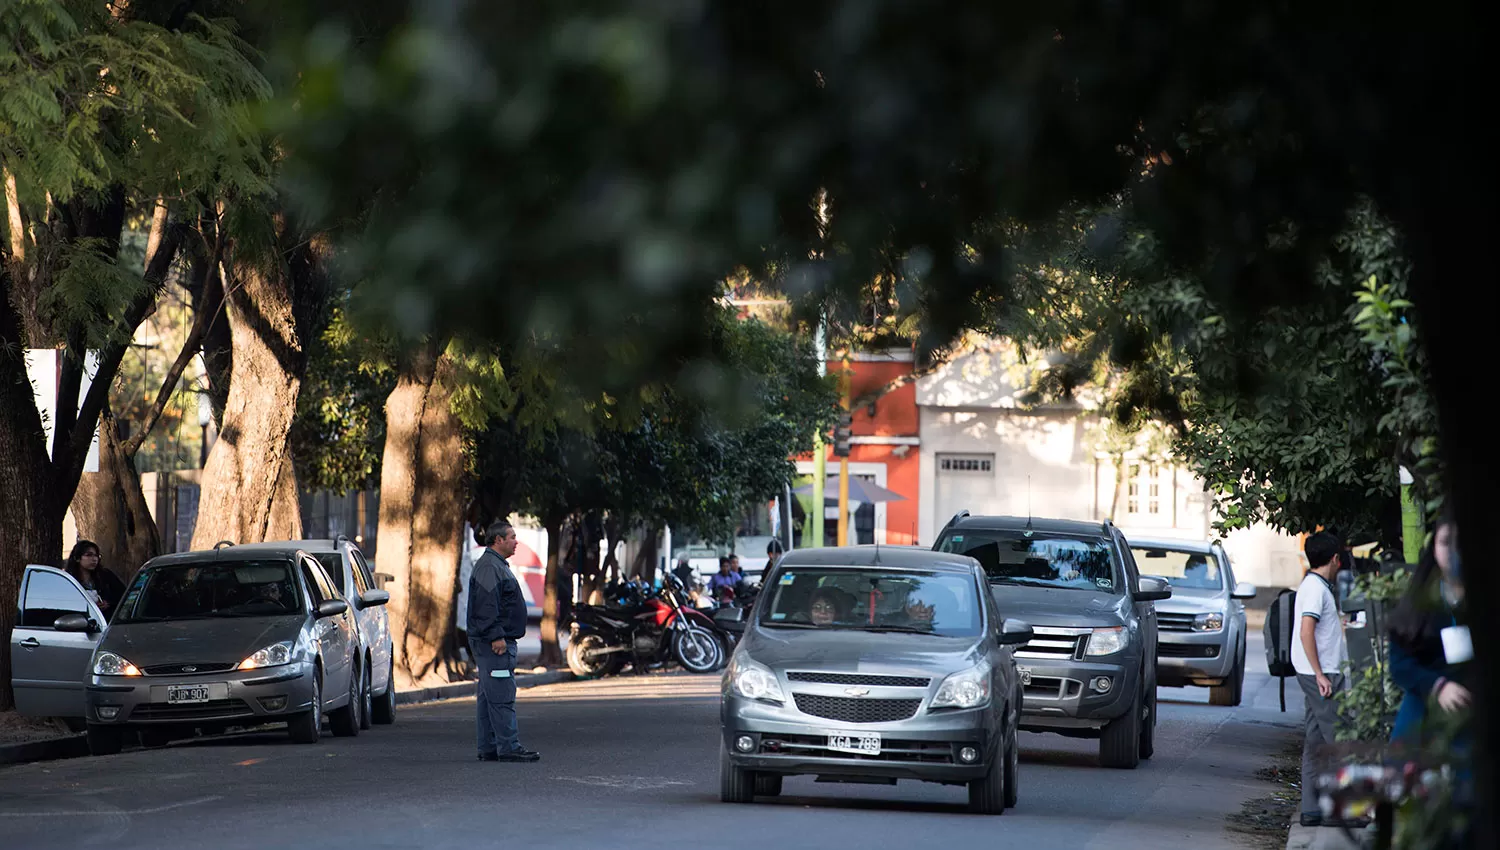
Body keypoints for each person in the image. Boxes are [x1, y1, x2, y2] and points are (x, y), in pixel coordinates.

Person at [1388, 508, 1469, 743]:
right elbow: (1399, 664)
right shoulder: (1417, 604)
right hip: (1422, 719)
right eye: (1445, 543)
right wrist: (1438, 686)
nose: (1454, 552)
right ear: (1434, 547)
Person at [466, 520, 539, 763]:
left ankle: (490, 747)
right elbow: (486, 605)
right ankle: (509, 747)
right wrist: (496, 636)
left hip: (494, 639)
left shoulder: (494, 565)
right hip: (494, 642)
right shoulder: (490, 567)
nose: (516, 541)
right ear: (498, 540)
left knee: (489, 697)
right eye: (512, 537)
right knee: (502, 695)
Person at [1294, 531, 1351, 827]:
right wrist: (1319, 674)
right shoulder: (1316, 589)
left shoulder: (1313, 586)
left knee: (1315, 741)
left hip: (1316, 672)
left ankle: (1312, 808)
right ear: (1334, 559)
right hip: (1322, 674)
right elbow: (1307, 631)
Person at [65, 540, 125, 622]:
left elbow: (123, 595)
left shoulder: (105, 576)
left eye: (96, 556)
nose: (94, 559)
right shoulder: (69, 580)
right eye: (89, 555)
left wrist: (108, 603)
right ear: (77, 558)